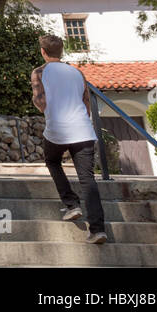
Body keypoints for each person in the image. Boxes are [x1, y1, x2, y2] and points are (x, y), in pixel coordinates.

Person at [32, 33, 107, 244]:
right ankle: (98, 229)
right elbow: (86, 101)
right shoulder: (77, 73)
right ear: (61, 51)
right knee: (87, 179)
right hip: (82, 129)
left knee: (52, 161)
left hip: (58, 128)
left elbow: (40, 101)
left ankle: (72, 204)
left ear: (43, 52)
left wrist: (50, 110)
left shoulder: (39, 72)